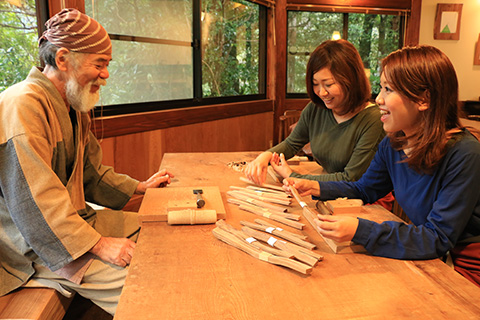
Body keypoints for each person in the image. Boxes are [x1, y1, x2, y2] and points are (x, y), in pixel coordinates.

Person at [0, 8, 173, 314]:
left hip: (72, 224)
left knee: (162, 235)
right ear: (63, 59)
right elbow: (34, 203)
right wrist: (100, 245)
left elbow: (91, 173)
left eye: (107, 65)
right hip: (32, 247)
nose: (105, 74)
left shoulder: (74, 106)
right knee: (153, 285)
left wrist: (139, 187)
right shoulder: (22, 104)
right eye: (99, 64)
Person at [284, 45, 480, 287]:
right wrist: (314, 187)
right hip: (433, 255)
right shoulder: (394, 144)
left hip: (466, 268)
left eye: (388, 89)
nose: (378, 99)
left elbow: (437, 238)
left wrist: (360, 230)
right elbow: (365, 189)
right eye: (380, 88)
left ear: (423, 99)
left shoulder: (465, 153)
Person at [244, 39, 385, 185]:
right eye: (315, 84)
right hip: (331, 191)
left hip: (364, 201)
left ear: (351, 81)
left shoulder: (373, 119)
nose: (321, 92)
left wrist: (292, 176)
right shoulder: (316, 108)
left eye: (328, 84)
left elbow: (351, 178)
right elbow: (292, 144)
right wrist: (264, 157)